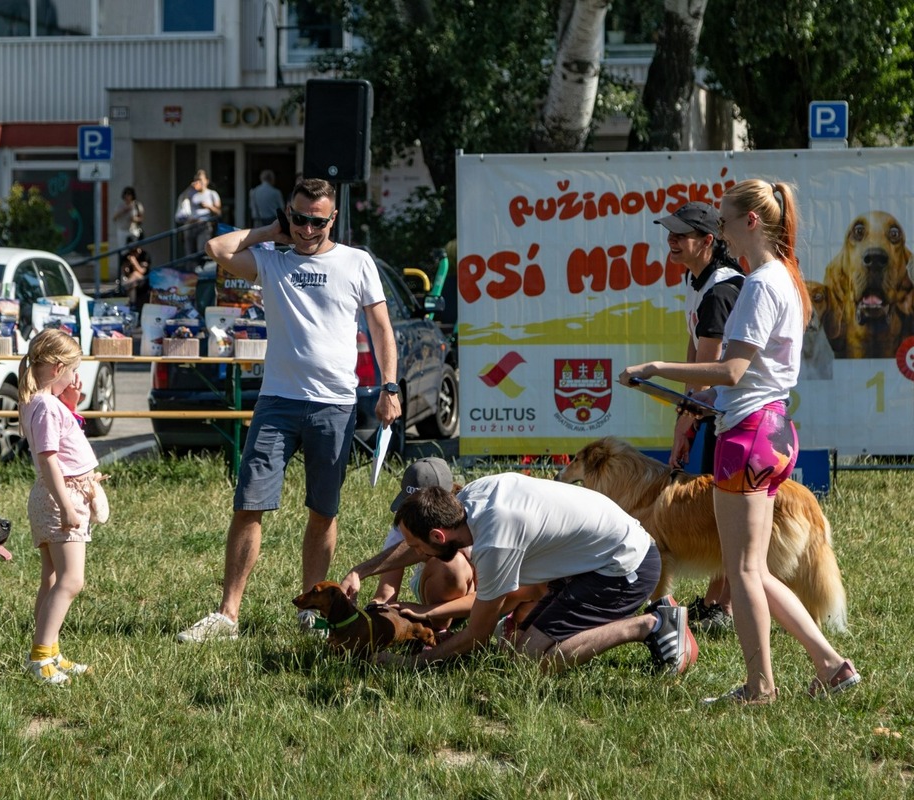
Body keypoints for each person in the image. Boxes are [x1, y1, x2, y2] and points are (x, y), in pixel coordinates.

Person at [620, 179, 860, 705]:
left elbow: (730, 370)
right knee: (750, 568)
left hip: (748, 437)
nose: (719, 230)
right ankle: (831, 666)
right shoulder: (786, 278)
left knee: (744, 570)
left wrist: (657, 366)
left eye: (724, 219)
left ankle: (759, 687)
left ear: (751, 221)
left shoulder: (759, 285)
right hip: (772, 431)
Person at [177, 177, 401, 643]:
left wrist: (390, 386)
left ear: (333, 219)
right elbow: (215, 247)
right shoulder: (271, 259)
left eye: (316, 221)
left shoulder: (357, 262)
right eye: (298, 218)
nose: (306, 228)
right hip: (277, 401)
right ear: (288, 214)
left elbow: (381, 329)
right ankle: (227, 616)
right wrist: (267, 232)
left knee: (324, 511)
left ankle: (311, 612)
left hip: (335, 404)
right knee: (249, 505)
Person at [355, 477, 697, 676]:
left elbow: (477, 634)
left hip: (626, 568)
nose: (415, 553)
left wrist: (410, 663)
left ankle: (651, 624)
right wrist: (362, 570)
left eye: (416, 546)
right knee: (509, 650)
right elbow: (424, 548)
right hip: (590, 559)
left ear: (438, 537)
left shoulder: (495, 541)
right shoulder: (470, 498)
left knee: (529, 663)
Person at [654, 201, 744, 635]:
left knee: (725, 511)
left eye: (681, 234)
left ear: (708, 241)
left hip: (732, 414)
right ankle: (715, 599)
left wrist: (683, 431)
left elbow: (705, 377)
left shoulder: (722, 291)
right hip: (715, 410)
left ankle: (722, 606)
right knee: (717, 509)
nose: (672, 240)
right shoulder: (699, 282)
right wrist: (683, 426)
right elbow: (693, 356)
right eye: (669, 232)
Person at [18, 328, 108, 686]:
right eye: (73, 371)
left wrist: (68, 402)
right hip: (61, 499)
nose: (76, 379)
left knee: (53, 578)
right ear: (57, 368)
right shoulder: (43, 405)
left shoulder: (43, 403)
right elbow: (49, 459)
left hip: (62, 496)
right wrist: (67, 507)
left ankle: (50, 651)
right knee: (71, 580)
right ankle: (40, 657)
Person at [342, 458, 476, 632]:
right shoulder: (405, 525)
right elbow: (386, 592)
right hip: (435, 589)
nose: (411, 517)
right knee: (448, 565)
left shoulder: (472, 518)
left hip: (477, 594)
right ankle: (438, 633)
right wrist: (369, 619)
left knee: (453, 562)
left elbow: (490, 592)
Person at [174, 170, 221, 257]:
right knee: (189, 253)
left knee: (201, 251)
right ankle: (190, 268)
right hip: (190, 225)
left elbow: (219, 212)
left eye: (200, 180)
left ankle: (200, 269)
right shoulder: (191, 193)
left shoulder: (212, 194)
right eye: (196, 180)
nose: (198, 182)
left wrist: (209, 207)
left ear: (206, 181)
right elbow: (182, 199)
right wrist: (190, 187)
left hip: (204, 225)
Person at [120, 243, 152, 314]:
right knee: (132, 286)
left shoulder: (144, 255)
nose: (134, 253)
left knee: (135, 274)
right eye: (132, 251)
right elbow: (125, 274)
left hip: (143, 280)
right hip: (131, 282)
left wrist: (134, 262)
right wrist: (127, 267)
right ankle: (132, 305)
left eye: (135, 251)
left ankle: (125, 287)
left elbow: (142, 271)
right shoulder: (127, 256)